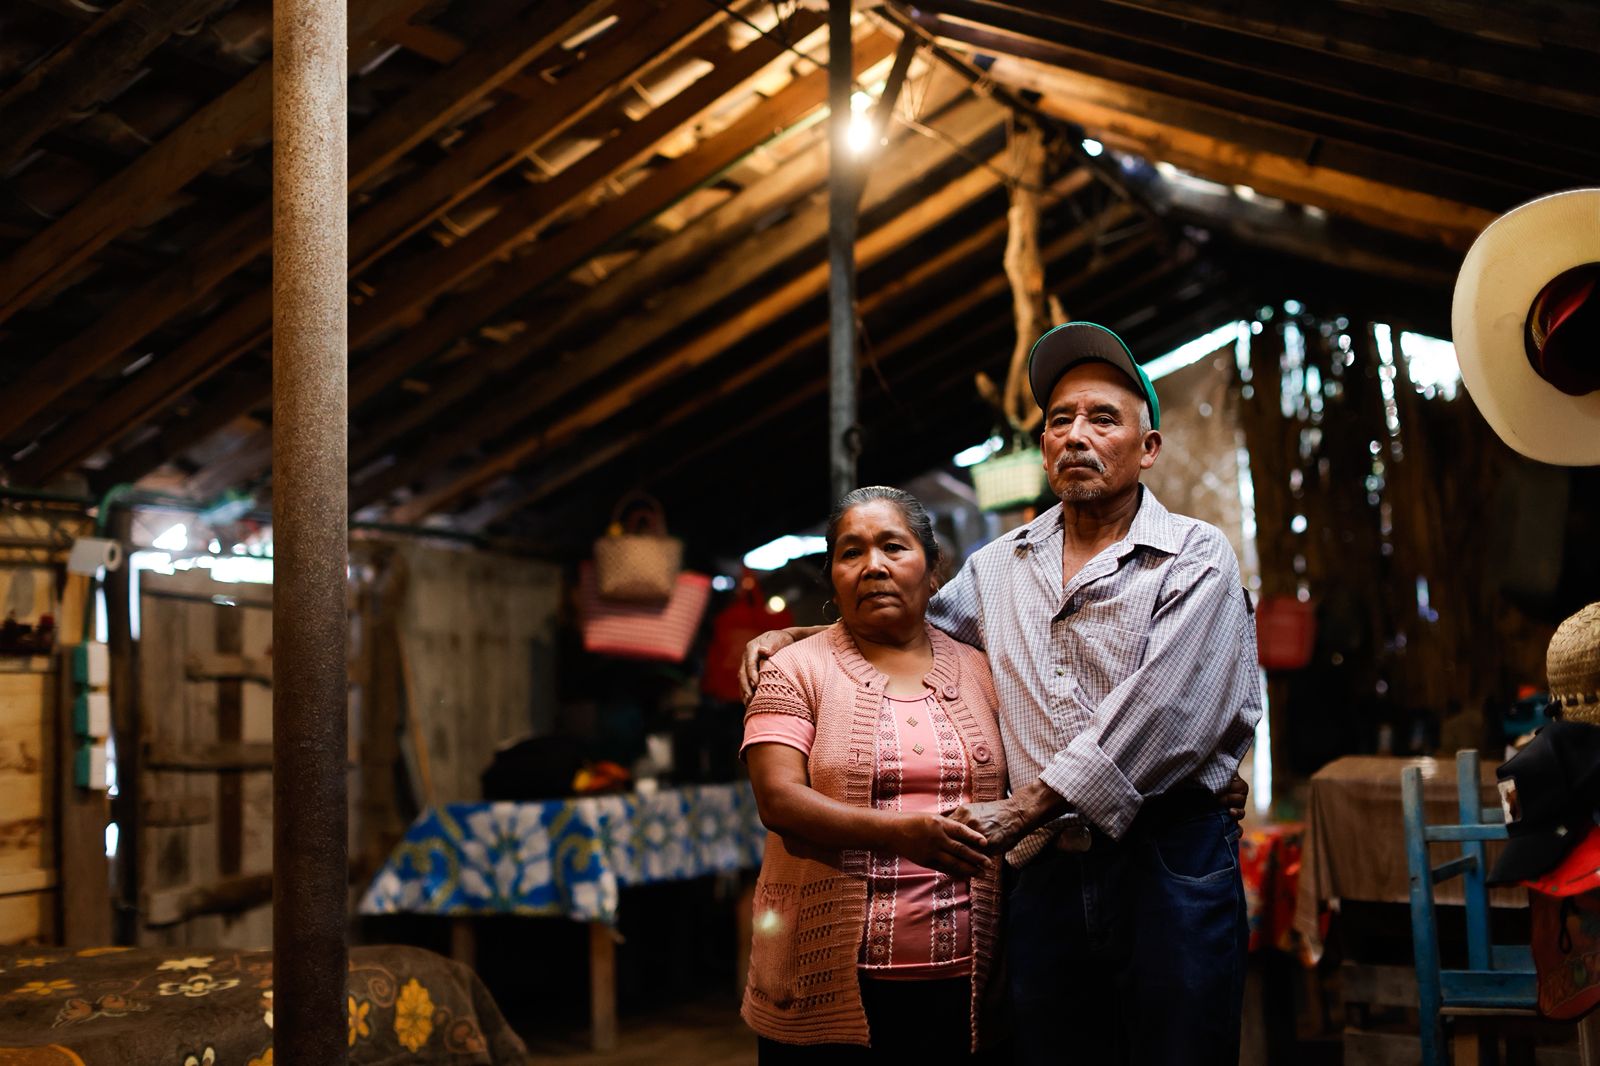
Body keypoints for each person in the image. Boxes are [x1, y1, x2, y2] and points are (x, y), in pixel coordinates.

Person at [743, 322, 1262, 1065]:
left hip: (1163, 859)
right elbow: (907, 626)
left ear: (1148, 447)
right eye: (1060, 420)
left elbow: (1167, 712)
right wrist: (799, 638)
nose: (1076, 435)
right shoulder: (998, 567)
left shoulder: (1195, 556)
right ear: (1044, 446)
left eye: (1103, 418)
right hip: (1045, 875)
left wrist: (1022, 809)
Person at [740, 486, 1008, 1063]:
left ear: (933, 570)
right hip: (825, 979)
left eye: (893, 546)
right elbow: (778, 800)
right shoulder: (792, 670)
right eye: (851, 552)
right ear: (833, 578)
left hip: (965, 981)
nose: (874, 566)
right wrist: (901, 833)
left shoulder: (984, 671)